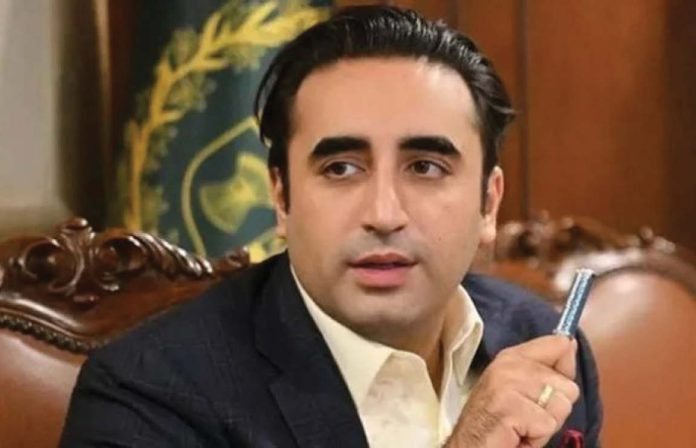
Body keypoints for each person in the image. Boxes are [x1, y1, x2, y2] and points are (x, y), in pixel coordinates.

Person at [60, 5, 601, 448]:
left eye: (425, 167)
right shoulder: (150, 394)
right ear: (281, 198)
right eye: (340, 169)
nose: (384, 214)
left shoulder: (544, 342)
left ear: (488, 203)